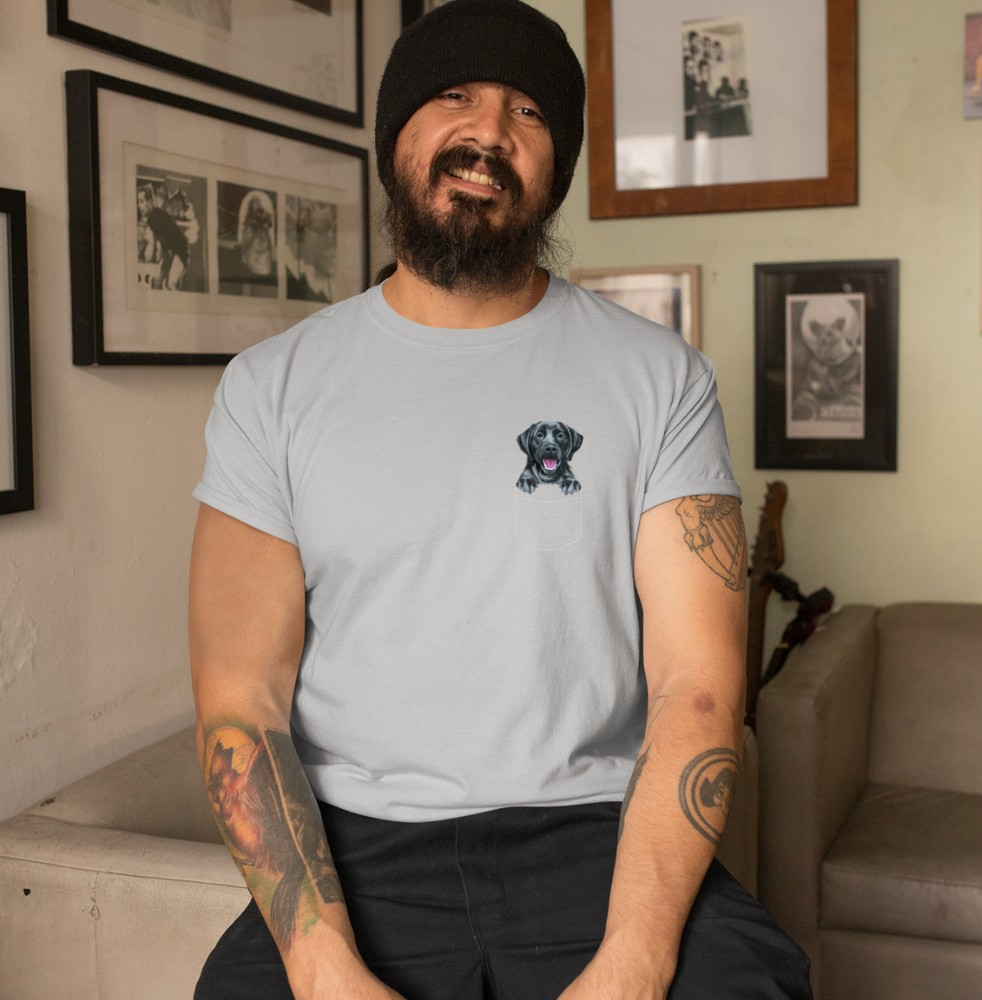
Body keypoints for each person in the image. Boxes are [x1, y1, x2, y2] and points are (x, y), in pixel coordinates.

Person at [188, 2, 813, 999]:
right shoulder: (270, 388)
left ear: (555, 169)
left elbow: (696, 685)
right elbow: (240, 698)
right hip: (357, 844)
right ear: (395, 138)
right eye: (453, 97)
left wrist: (635, 960)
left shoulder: (662, 379)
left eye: (527, 111)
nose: (488, 132)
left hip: (594, 832)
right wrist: (321, 966)